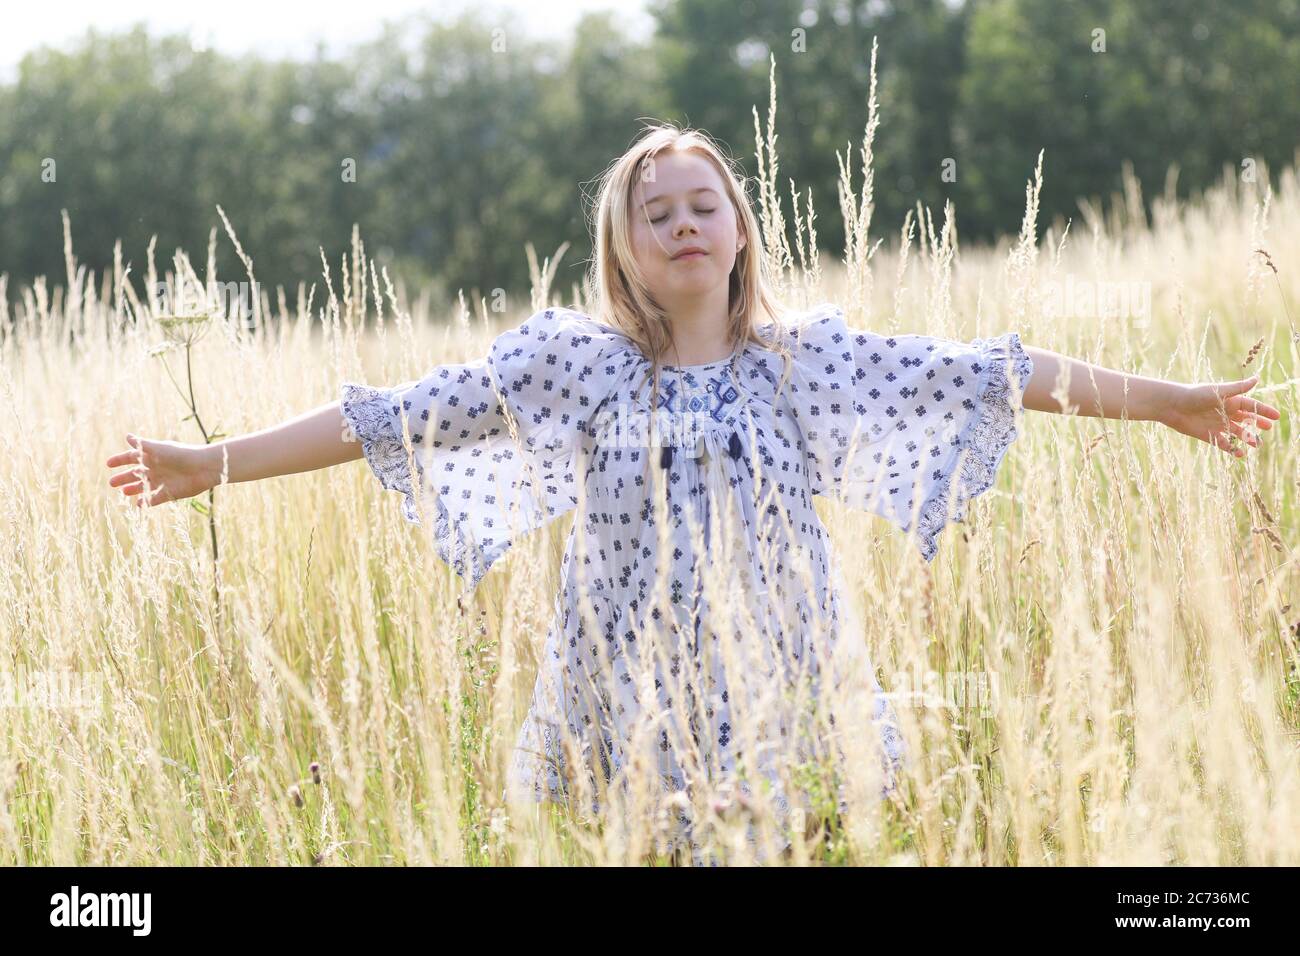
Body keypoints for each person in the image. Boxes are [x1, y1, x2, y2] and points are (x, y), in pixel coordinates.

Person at [105, 124, 1282, 866]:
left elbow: (991, 371)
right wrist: (213, 462)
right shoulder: (574, 364)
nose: (678, 219)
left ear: (736, 232)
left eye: (700, 203)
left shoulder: (799, 359)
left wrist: (1171, 397)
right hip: (626, 689)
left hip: (782, 680)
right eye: (651, 209)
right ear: (621, 249)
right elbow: (396, 415)